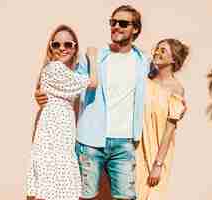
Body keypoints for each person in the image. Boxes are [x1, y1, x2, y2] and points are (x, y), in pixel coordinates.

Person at [35, 5, 150, 200]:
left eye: (123, 23)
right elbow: (66, 84)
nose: (116, 27)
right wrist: (40, 93)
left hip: (125, 142)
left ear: (136, 29)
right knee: (84, 197)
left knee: (126, 197)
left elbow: (161, 81)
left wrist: (176, 96)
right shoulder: (93, 58)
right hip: (90, 141)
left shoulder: (143, 61)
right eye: (112, 22)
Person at [26, 24, 98, 200]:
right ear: (50, 48)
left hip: (61, 134)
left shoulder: (65, 72)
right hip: (53, 137)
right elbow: (93, 83)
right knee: (53, 186)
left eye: (68, 44)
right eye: (56, 45)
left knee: (55, 188)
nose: (62, 48)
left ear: (74, 48)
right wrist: (93, 57)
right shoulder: (54, 68)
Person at [135, 38, 189, 200]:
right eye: (157, 48)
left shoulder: (176, 89)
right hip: (136, 148)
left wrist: (158, 165)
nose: (157, 52)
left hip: (158, 151)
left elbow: (169, 130)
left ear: (173, 59)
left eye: (163, 50)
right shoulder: (144, 81)